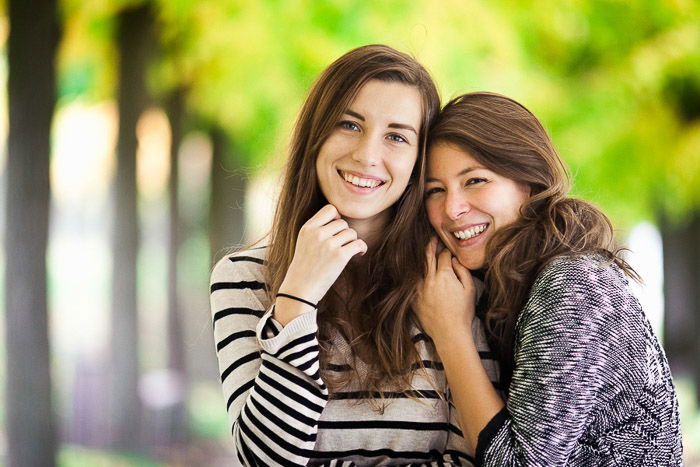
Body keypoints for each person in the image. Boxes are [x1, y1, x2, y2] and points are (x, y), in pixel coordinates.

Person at [210, 46, 500, 466]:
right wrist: (297, 298)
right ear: (316, 134)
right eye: (349, 124)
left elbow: (477, 458)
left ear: (419, 160)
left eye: (396, 136)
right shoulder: (242, 278)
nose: (367, 155)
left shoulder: (451, 278)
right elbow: (266, 459)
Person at [415, 92, 683, 465]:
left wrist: (450, 332)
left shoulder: (572, 284)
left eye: (475, 180)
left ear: (529, 182)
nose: (452, 208)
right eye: (435, 190)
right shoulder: (505, 286)